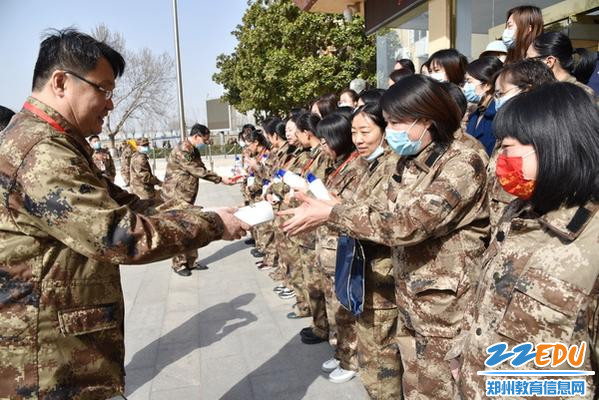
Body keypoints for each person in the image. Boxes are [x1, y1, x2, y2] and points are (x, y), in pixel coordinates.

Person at [0, 28, 248, 400]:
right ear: (61, 82)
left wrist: (198, 211)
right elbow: (118, 235)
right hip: (48, 366)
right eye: (102, 89)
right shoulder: (41, 151)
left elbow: (123, 202)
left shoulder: (59, 142)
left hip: (64, 354)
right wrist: (212, 224)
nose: (110, 103)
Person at [281, 75, 490, 399]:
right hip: (411, 294)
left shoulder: (463, 160)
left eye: (396, 123)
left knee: (440, 390)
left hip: (446, 310)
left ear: (427, 117)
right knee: (413, 385)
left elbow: (409, 223)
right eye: (388, 123)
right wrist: (337, 206)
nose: (390, 132)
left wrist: (333, 214)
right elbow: (385, 206)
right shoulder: (413, 158)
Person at [452, 82, 599, 399]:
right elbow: (486, 296)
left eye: (507, 149)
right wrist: (464, 354)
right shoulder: (519, 213)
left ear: (555, 144)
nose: (501, 162)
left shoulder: (591, 241)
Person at [313, 113, 363, 384]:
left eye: (325, 140)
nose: (321, 146)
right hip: (328, 245)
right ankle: (340, 350)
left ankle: (350, 358)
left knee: (344, 308)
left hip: (342, 247)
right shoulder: (338, 165)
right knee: (334, 307)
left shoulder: (356, 167)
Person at [488, 59, 557, 227]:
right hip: (503, 228)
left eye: (501, 94)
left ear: (527, 90)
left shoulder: (550, 139)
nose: (496, 101)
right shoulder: (505, 133)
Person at [161, 123, 234, 277]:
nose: (205, 144)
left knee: (190, 225)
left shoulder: (192, 149)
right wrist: (220, 179)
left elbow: (201, 167)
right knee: (179, 227)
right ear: (196, 136)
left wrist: (220, 177)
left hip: (186, 195)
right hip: (176, 195)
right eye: (205, 141)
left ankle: (191, 261)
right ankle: (179, 264)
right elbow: (197, 170)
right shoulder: (183, 150)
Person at [527, 31, 598, 99]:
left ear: (549, 62)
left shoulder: (582, 96)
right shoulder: (537, 89)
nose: (525, 64)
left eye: (529, 60)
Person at [464, 56, 504, 155]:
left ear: (487, 85)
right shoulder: (478, 112)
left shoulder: (497, 115)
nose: (465, 88)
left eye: (469, 81)